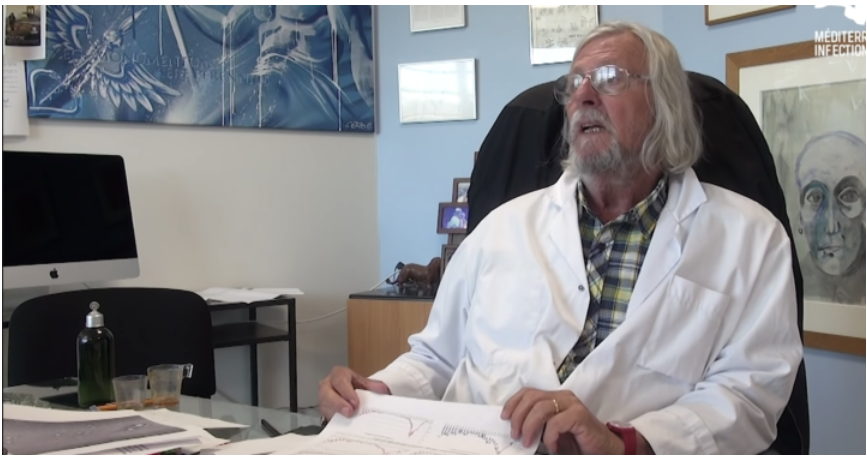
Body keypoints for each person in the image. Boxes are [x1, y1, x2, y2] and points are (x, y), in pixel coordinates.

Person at [318, 21, 803, 455]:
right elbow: (436, 358)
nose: (583, 96)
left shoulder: (751, 238)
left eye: (609, 78)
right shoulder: (502, 228)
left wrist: (624, 442)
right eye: (574, 83)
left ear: (665, 105)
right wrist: (375, 391)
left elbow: (750, 396)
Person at [794, 131, 866, 305]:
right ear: (801, 216)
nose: (831, 226)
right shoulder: (791, 281)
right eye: (815, 198)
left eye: (849, 196)